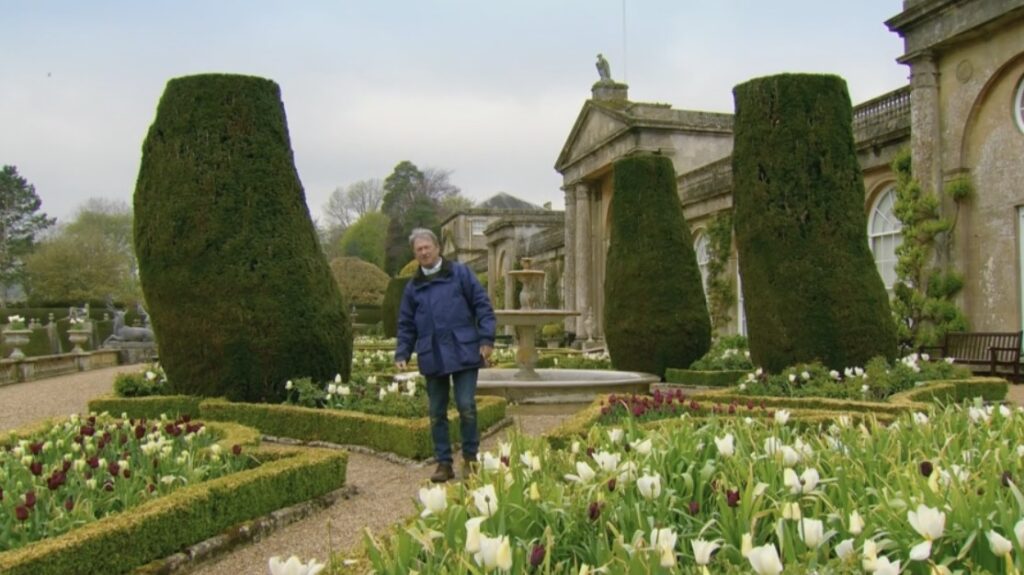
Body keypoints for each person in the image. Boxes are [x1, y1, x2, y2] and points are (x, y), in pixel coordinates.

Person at [394, 228, 496, 482]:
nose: (424, 252)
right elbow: (406, 324)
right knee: (436, 412)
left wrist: (486, 338)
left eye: (427, 247)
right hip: (433, 353)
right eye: (419, 249)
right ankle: (444, 463)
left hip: (463, 349)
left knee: (466, 406)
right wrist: (402, 352)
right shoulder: (412, 288)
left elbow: (482, 305)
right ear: (415, 254)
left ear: (438, 248)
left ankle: (471, 458)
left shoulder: (461, 273)